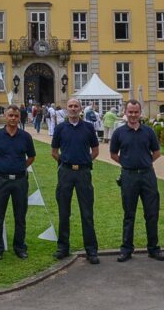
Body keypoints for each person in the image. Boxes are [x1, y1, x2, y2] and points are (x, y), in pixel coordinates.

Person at [109, 99, 164, 262]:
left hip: (147, 176)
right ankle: (126, 249)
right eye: (130, 112)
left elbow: (156, 152)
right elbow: (113, 154)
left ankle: (153, 248)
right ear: (125, 113)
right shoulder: (119, 133)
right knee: (129, 214)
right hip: (129, 176)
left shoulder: (148, 132)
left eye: (136, 112)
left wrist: (145, 163)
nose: (133, 115)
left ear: (140, 113)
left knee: (152, 213)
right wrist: (127, 164)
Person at [51, 98, 100, 264]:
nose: (73, 109)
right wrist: (65, 163)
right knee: (64, 212)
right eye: (70, 106)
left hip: (83, 173)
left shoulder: (88, 127)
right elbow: (54, 152)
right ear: (67, 109)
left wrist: (84, 162)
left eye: (76, 106)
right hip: (65, 172)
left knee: (87, 213)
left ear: (80, 109)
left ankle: (91, 250)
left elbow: (95, 151)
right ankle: (63, 247)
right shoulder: (60, 128)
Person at [0, 105, 36, 260]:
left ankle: (19, 247)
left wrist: (20, 167)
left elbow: (31, 157)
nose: (13, 118)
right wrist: (1, 167)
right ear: (5, 116)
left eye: (16, 116)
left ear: (19, 117)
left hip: (20, 181)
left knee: (20, 216)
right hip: (1, 180)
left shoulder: (25, 137)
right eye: (10, 115)